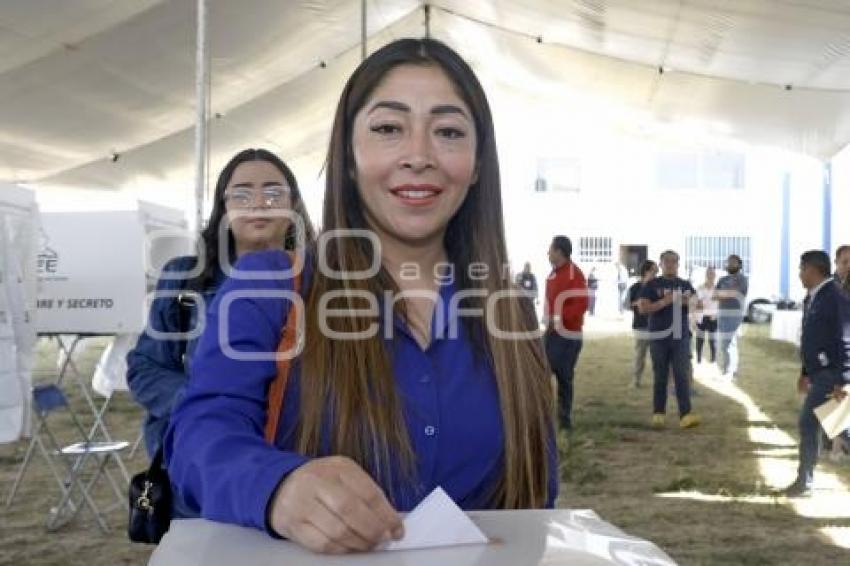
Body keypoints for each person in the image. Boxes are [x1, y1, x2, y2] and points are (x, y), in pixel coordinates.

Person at [165, 38, 558, 553]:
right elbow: (198, 434)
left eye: (448, 132)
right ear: (348, 158)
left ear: (478, 163)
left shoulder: (512, 314)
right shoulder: (269, 288)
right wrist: (276, 486)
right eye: (388, 129)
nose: (419, 156)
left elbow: (538, 492)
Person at [126, 148, 315, 516]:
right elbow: (144, 369)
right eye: (242, 193)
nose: (258, 203)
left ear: (293, 205)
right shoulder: (184, 278)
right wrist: (213, 409)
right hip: (203, 477)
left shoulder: (319, 283)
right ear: (223, 207)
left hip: (297, 472)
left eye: (273, 193)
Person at [783, 251, 850, 497]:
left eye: (802, 269)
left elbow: (845, 339)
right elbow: (810, 338)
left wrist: (843, 380)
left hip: (832, 374)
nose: (800, 274)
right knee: (836, 426)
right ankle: (805, 481)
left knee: (814, 423)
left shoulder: (834, 297)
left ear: (813, 269)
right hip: (820, 373)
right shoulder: (813, 297)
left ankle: (805, 481)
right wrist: (805, 372)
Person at [637, 250, 701, 429]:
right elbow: (642, 308)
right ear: (661, 264)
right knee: (660, 376)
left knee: (682, 375)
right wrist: (665, 302)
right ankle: (658, 413)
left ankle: (686, 414)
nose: (671, 264)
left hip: (680, 337)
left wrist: (685, 301)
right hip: (658, 336)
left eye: (674, 261)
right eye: (667, 261)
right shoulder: (652, 284)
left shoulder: (685, 284)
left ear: (678, 264)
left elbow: (699, 305)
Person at [544, 236, 589, 430]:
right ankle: (545, 415)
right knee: (542, 371)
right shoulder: (553, 274)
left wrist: (558, 319)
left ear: (559, 251)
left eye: (550, 250)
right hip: (553, 333)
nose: (548, 253)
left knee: (563, 376)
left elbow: (581, 303)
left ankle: (564, 420)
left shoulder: (574, 274)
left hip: (569, 335)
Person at [714, 254, 748, 380]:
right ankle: (727, 369)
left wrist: (724, 294)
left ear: (739, 265)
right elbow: (714, 295)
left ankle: (731, 371)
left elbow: (738, 293)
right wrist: (727, 293)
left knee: (730, 343)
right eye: (728, 262)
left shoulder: (742, 279)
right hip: (722, 314)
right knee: (723, 344)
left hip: (734, 315)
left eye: (733, 262)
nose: (730, 264)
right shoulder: (722, 280)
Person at [627, 260, 658, 388]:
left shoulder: (658, 287)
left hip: (657, 325)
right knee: (640, 355)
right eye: (654, 271)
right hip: (641, 325)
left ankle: (660, 381)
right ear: (646, 271)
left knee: (658, 356)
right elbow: (630, 304)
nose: (656, 274)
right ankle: (636, 380)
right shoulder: (635, 287)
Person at [694, 267, 718, 365]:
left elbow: (720, 304)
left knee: (713, 340)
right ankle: (698, 360)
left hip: (713, 317)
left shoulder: (717, 289)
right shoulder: (700, 288)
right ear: (706, 275)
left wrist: (716, 314)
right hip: (702, 317)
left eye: (712, 274)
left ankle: (713, 360)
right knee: (700, 339)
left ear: (715, 275)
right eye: (709, 273)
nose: (710, 275)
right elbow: (698, 303)